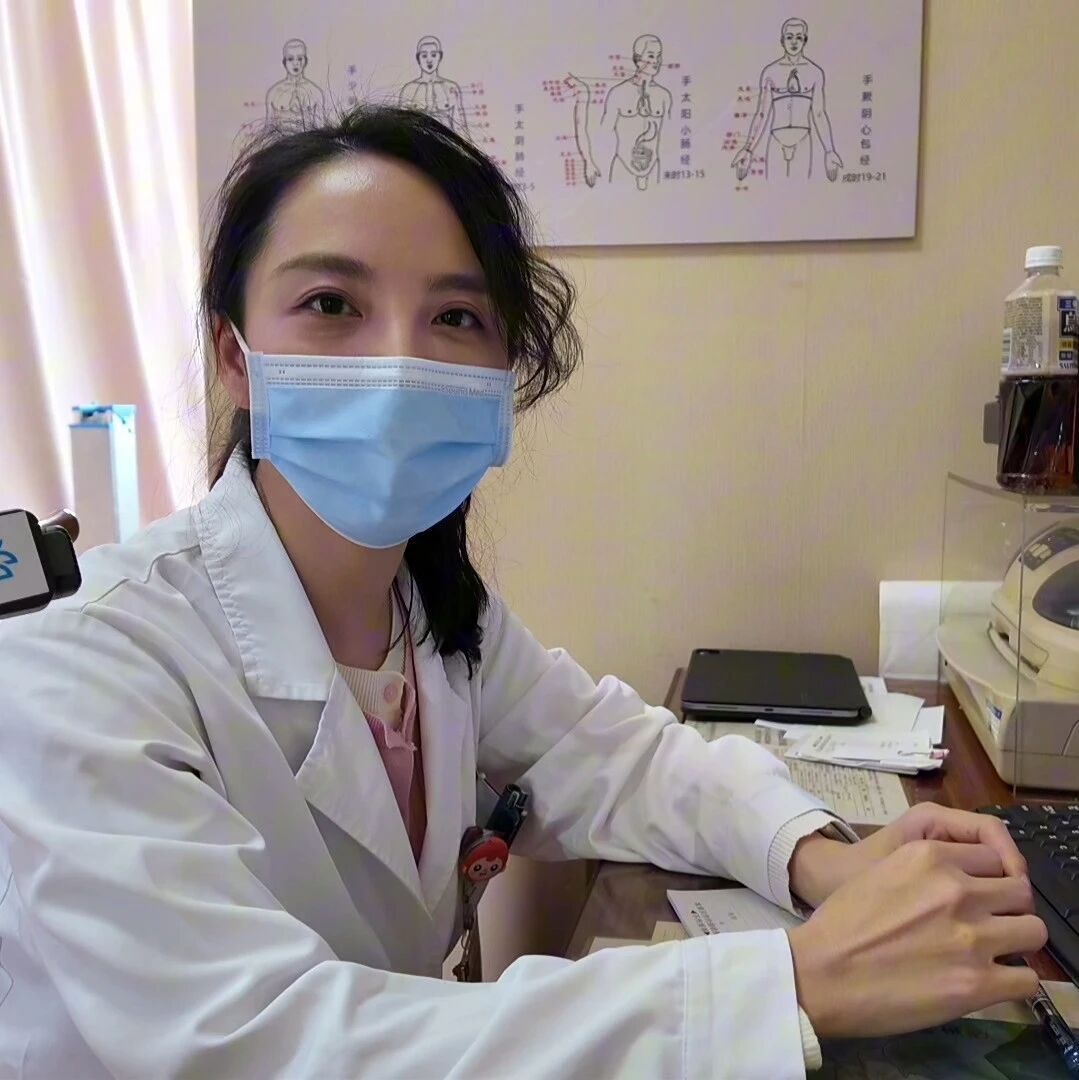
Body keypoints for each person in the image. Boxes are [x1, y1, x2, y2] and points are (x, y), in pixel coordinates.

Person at [0, 105, 1044, 1078]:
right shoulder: (85, 663)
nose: (399, 365)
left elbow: (611, 752)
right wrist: (787, 987)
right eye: (331, 305)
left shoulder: (430, 614)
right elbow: (262, 1043)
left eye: (455, 316)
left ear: (501, 380)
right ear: (236, 356)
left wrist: (816, 856)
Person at [732, 17, 843, 182]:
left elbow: (819, 113)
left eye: (799, 37)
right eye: (789, 37)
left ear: (805, 40)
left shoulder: (815, 72)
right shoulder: (770, 72)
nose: (794, 42)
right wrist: (748, 149)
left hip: (803, 138)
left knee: (804, 188)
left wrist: (830, 150)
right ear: (782, 40)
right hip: (776, 139)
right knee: (771, 187)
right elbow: (762, 113)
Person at [600, 33, 671, 190]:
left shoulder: (664, 95)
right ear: (638, 59)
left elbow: (668, 135)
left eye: (659, 56)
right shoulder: (618, 92)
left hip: (653, 168)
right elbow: (605, 131)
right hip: (623, 167)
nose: (656, 61)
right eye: (651, 56)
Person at [399, 35, 470, 138]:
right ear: (418, 59)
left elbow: (461, 128)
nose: (429, 60)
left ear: (439, 57)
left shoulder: (451, 88)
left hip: (445, 144)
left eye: (433, 55)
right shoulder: (409, 89)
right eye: (424, 56)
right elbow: (402, 127)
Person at [265, 38, 326, 134]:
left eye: (300, 58)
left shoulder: (315, 92)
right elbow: (268, 129)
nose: (296, 63)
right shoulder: (274, 92)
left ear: (305, 61)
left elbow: (321, 129)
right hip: (281, 142)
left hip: (307, 142)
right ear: (284, 62)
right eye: (290, 59)